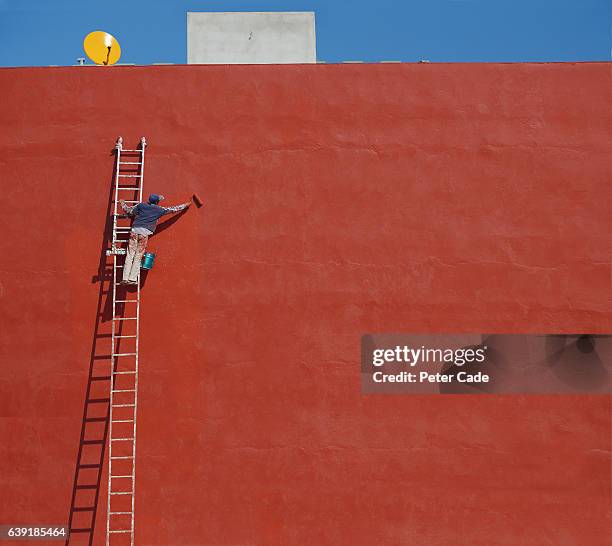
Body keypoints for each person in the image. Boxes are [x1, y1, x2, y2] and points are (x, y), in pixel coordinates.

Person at [118, 194, 190, 284]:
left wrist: (122, 203)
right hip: (144, 234)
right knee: (138, 255)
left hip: (134, 231)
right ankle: (132, 279)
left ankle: (125, 278)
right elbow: (173, 209)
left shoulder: (141, 205)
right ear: (157, 202)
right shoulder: (159, 210)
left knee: (130, 254)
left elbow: (129, 211)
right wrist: (186, 204)